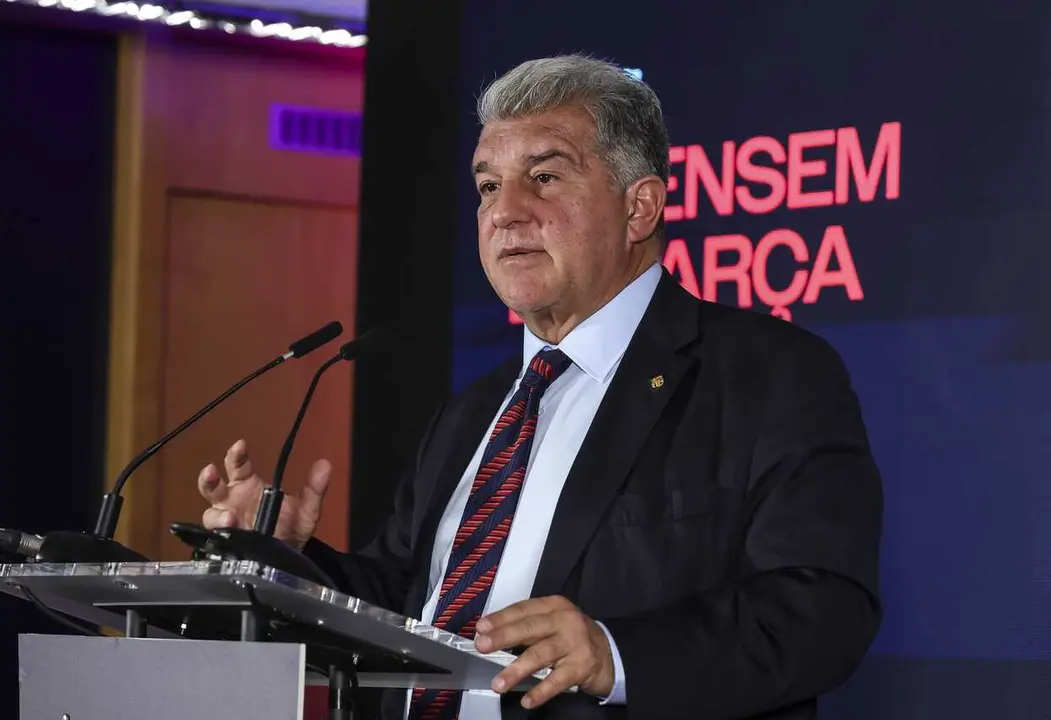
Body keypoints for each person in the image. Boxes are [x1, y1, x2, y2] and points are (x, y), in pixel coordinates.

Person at [197, 55, 883, 720]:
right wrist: (287, 559)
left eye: (545, 178)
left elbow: (822, 609)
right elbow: (409, 605)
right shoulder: (473, 412)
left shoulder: (769, 376)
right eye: (489, 185)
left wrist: (616, 655)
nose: (505, 212)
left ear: (639, 208)